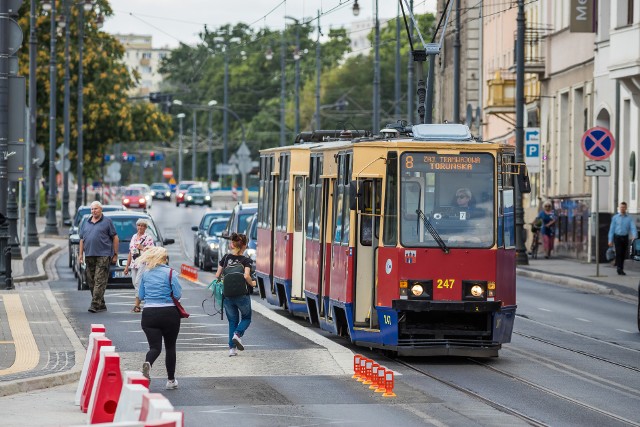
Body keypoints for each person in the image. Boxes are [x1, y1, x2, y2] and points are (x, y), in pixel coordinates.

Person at [138, 246, 182, 390]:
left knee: (155, 347)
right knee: (170, 347)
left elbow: (141, 296)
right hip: (169, 313)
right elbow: (177, 295)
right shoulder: (171, 273)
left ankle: (148, 363)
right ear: (164, 258)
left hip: (149, 313)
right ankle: (170, 380)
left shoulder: (145, 274)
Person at [214, 233, 256, 357]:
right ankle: (237, 334)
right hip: (242, 295)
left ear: (232, 244)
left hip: (227, 295)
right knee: (246, 318)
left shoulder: (226, 258)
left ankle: (232, 350)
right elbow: (246, 276)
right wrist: (252, 283)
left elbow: (217, 275)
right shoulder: (246, 260)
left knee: (232, 321)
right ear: (245, 246)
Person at [79, 201, 119, 313]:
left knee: (99, 279)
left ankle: (95, 304)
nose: (93, 211)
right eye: (92, 209)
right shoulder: (86, 222)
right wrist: (80, 255)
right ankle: (101, 304)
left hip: (104, 255)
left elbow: (115, 238)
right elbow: (82, 239)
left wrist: (115, 254)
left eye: (96, 209)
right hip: (89, 254)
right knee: (90, 280)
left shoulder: (107, 222)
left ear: (101, 209)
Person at [124, 219, 155, 313]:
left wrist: (142, 248)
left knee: (138, 283)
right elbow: (130, 252)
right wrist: (126, 266)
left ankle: (137, 305)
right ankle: (145, 300)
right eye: (139, 225)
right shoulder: (134, 237)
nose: (140, 227)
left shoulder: (148, 238)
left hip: (143, 262)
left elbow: (152, 252)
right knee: (135, 283)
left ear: (145, 227)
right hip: (134, 263)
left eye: (142, 226)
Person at [608, 201, 638, 275]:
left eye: (624, 207)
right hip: (617, 237)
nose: (622, 209)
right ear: (619, 208)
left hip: (625, 237)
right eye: (621, 207)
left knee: (624, 253)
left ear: (626, 208)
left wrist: (635, 236)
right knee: (619, 252)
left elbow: (633, 227)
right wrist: (610, 240)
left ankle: (620, 267)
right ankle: (619, 268)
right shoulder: (615, 218)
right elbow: (611, 229)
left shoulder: (629, 218)